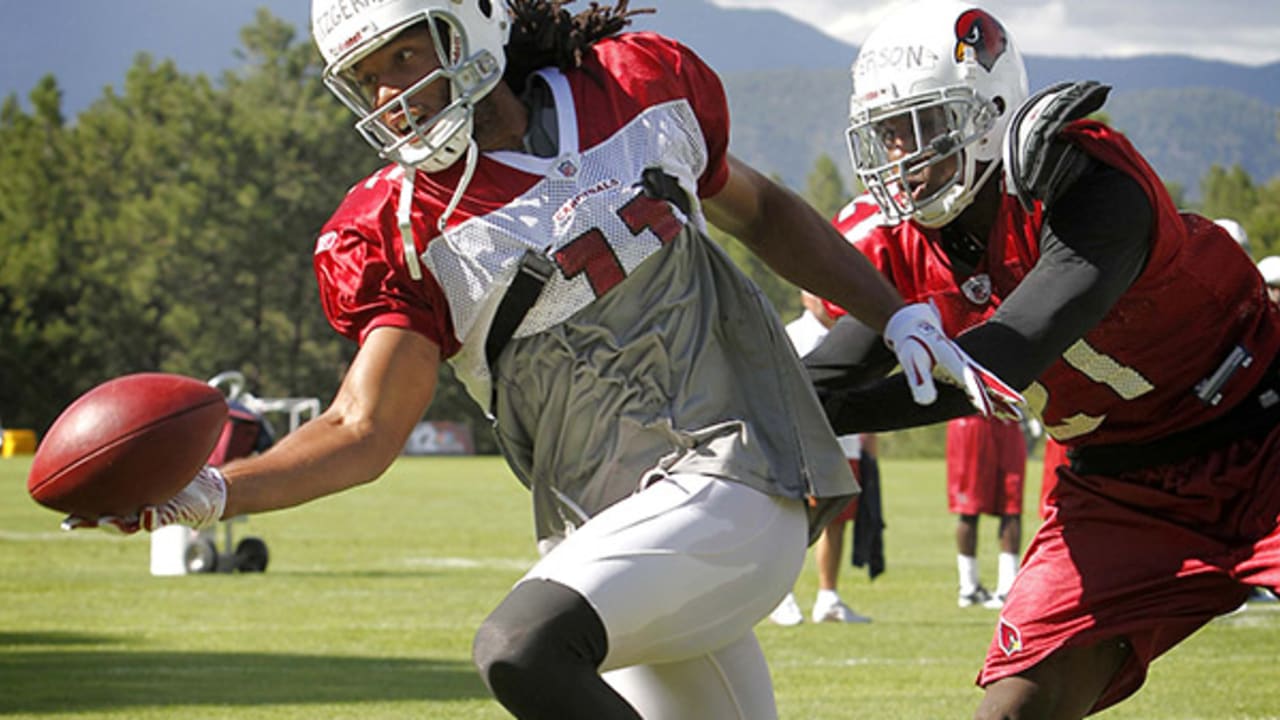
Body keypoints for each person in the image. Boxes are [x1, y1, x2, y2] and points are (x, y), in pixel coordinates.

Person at [61, 2, 1010, 718]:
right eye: (369, 75)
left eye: (407, 54)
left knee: (521, 648)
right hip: (608, 534)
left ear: (473, 24)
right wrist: (212, 492)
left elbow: (760, 210)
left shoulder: (634, 86)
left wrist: (896, 316)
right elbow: (362, 428)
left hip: (739, 474)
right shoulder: (395, 226)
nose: (394, 92)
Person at [802, 1, 1280, 717]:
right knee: (1014, 709)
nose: (901, 155)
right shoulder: (906, 247)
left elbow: (1000, 361)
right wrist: (748, 403)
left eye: (920, 128)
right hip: (1118, 485)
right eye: (888, 134)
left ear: (990, 112)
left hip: (1264, 429)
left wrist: (818, 407)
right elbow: (829, 376)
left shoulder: (1089, 187)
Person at [769, 291, 873, 626]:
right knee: (795, 524)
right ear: (802, 296)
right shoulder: (792, 336)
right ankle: (780, 596)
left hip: (844, 443)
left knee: (837, 522)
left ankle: (828, 597)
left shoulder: (854, 335)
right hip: (803, 448)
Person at [945, 414, 1026, 609]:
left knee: (1011, 503)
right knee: (969, 507)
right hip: (972, 417)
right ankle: (969, 587)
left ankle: (1006, 587)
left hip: (1005, 416)